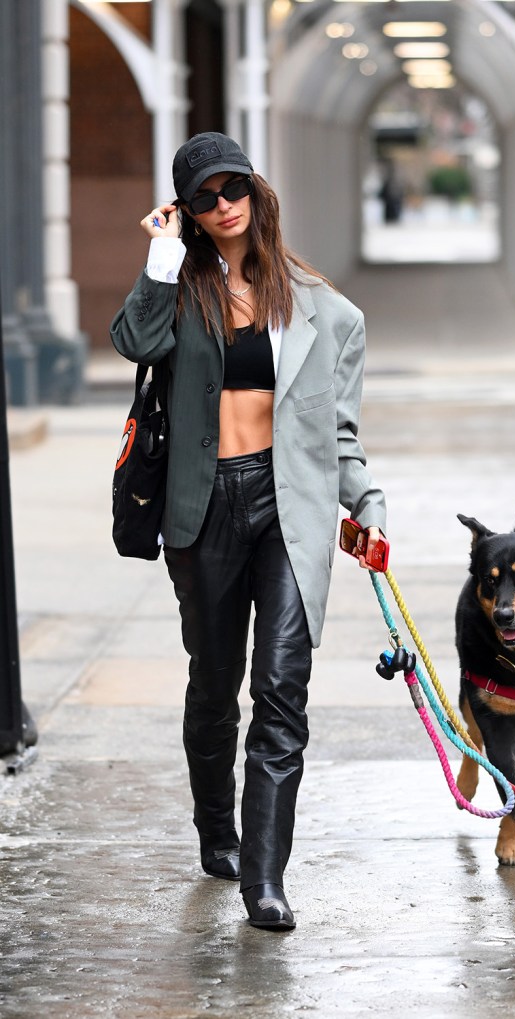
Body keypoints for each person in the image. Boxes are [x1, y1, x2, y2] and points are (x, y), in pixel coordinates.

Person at [110, 132, 387, 932]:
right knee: (214, 681)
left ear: (256, 192)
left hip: (288, 509)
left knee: (280, 692)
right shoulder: (183, 289)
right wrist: (163, 255)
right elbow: (134, 342)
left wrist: (364, 501)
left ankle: (266, 879)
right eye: (204, 196)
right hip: (202, 510)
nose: (222, 203)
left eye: (233, 187)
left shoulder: (326, 312)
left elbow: (340, 434)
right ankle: (216, 828)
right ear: (188, 211)